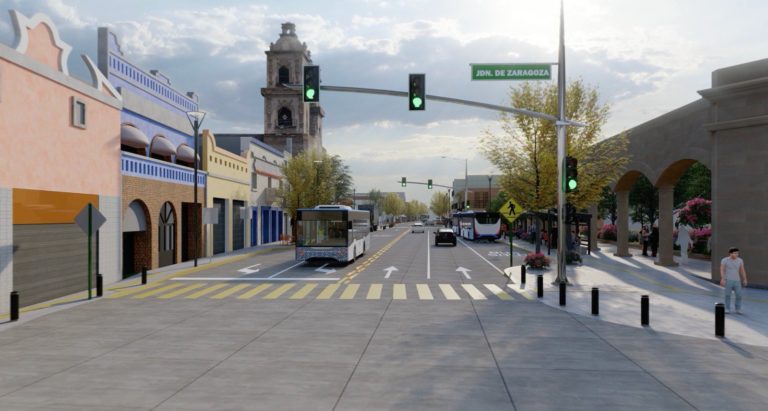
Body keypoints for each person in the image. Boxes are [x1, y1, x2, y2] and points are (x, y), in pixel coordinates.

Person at [720, 247, 748, 314]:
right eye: (735, 253)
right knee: (727, 295)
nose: (737, 254)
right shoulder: (724, 260)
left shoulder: (740, 260)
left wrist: (745, 279)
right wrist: (723, 278)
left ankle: (738, 309)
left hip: (737, 280)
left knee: (739, 295)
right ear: (730, 253)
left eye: (737, 253)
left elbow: (742, 270)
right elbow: (722, 270)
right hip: (728, 280)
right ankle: (727, 308)